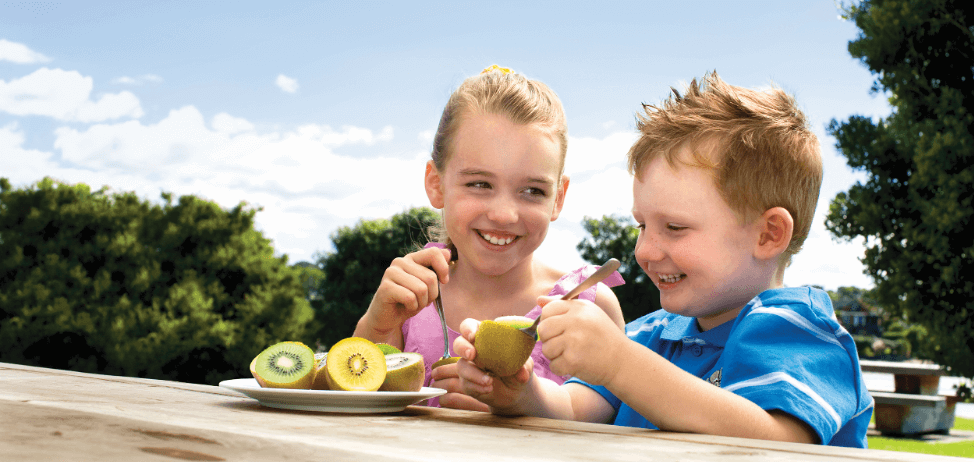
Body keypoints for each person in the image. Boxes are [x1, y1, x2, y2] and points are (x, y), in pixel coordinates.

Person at [452, 71, 873, 447]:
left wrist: (618, 362)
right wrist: (519, 393)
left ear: (768, 234)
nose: (645, 251)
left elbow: (776, 442)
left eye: (674, 228)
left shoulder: (798, 331)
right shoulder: (653, 335)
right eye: (642, 226)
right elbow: (574, 408)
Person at [353, 65, 625, 411]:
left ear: (558, 198)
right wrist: (375, 329)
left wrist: (523, 398)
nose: (504, 214)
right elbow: (355, 398)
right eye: (480, 184)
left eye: (532, 190)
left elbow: (597, 416)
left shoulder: (587, 305)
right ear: (436, 184)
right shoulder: (409, 300)